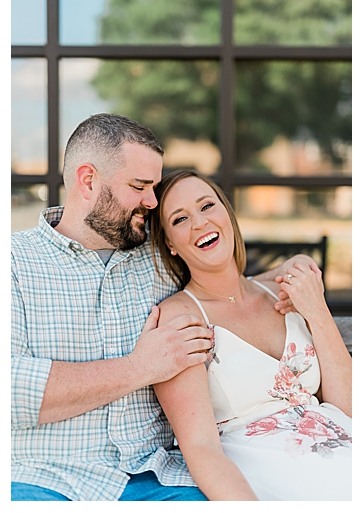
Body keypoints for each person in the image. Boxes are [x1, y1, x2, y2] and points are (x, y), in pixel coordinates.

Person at [9, 114, 315, 500]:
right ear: (88, 181)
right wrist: (140, 367)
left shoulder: (156, 256)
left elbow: (220, 281)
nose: (152, 201)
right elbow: (14, 391)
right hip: (48, 479)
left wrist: (288, 272)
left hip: (160, 477)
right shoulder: (17, 261)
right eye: (139, 186)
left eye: (154, 187)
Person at [148, 170, 351, 500]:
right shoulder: (180, 317)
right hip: (275, 478)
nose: (199, 223)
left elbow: (349, 407)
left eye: (207, 206)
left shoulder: (284, 292)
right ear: (170, 243)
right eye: (180, 218)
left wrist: (317, 310)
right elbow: (200, 448)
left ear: (227, 213)